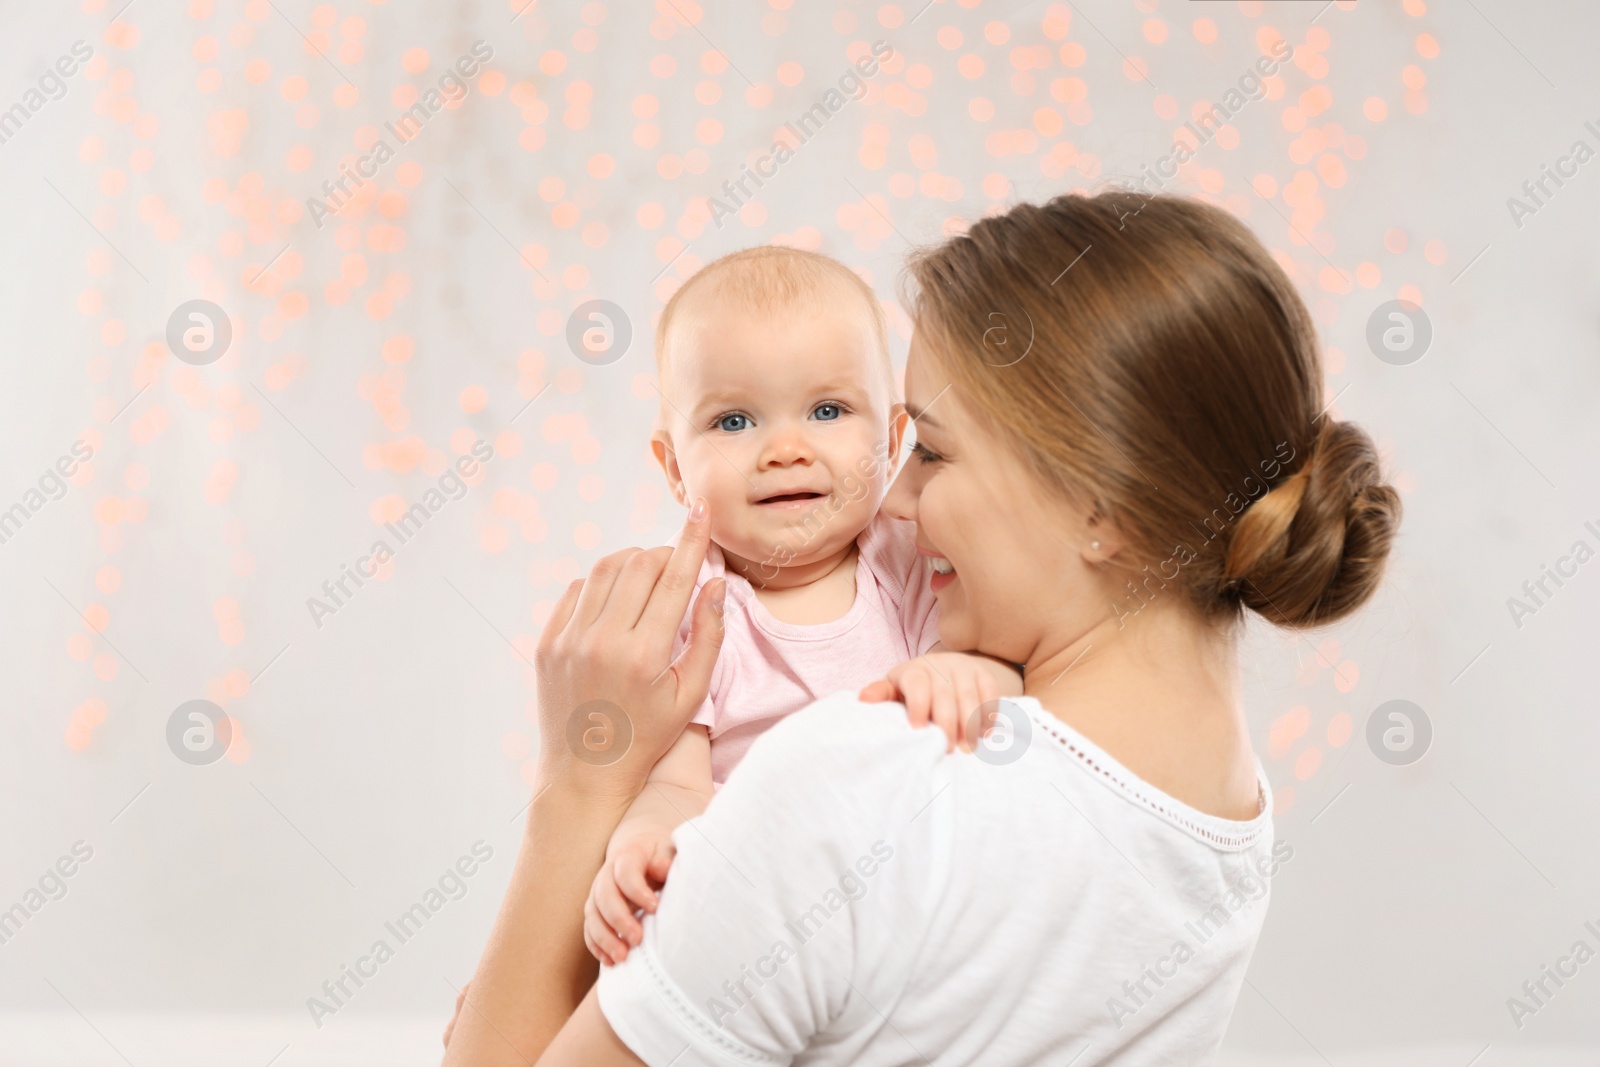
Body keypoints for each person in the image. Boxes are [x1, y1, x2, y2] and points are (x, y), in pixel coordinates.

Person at [441, 191, 1401, 1066]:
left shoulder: (851, 787)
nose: (893, 500)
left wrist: (581, 778)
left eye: (932, 451)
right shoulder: (1226, 811)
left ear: (1103, 507)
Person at [583, 244, 1023, 967]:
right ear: (672, 468)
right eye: (733, 422)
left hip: (905, 895)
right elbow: (674, 783)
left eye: (826, 410)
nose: (786, 448)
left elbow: (1005, 668)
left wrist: (969, 673)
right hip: (759, 914)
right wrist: (642, 847)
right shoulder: (692, 609)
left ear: (889, 439)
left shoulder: (907, 557)